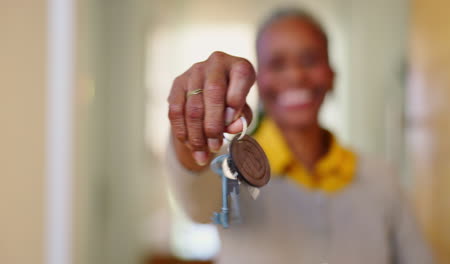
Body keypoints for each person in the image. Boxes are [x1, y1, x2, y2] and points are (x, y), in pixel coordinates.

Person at [166, 8, 433, 264]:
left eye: (310, 60)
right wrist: (193, 124)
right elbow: (194, 198)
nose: (295, 75)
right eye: (277, 63)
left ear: (332, 76)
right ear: (258, 81)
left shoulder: (381, 179)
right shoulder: (229, 172)